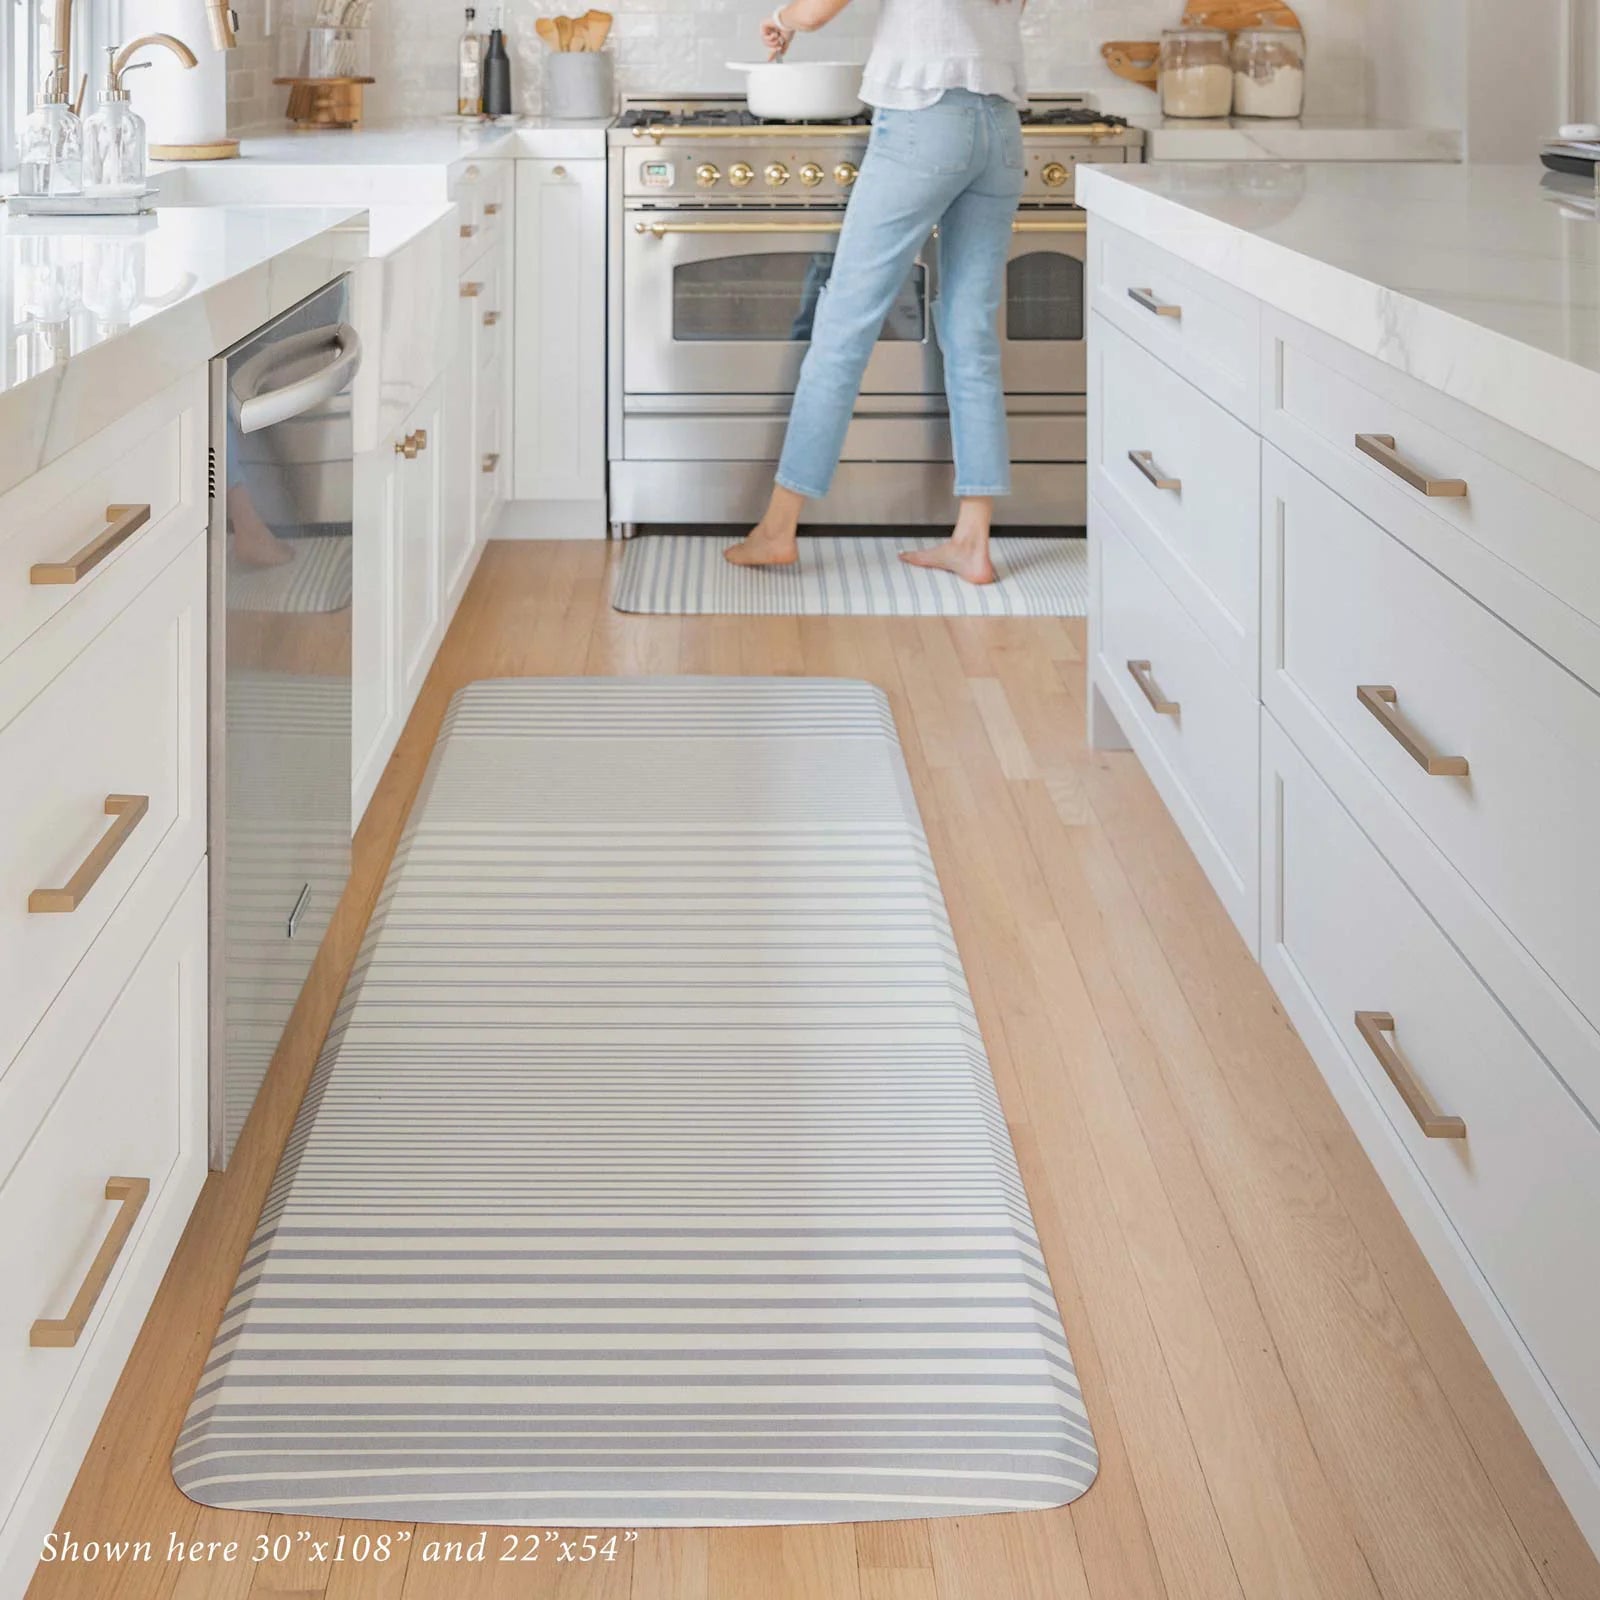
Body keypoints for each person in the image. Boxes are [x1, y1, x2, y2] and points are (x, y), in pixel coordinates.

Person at [724, 0, 1026, 586]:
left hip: (925, 119)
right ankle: (972, 541)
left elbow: (815, 12)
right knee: (970, 331)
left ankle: (777, 530)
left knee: (845, 321)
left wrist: (782, 20)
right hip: (1001, 129)